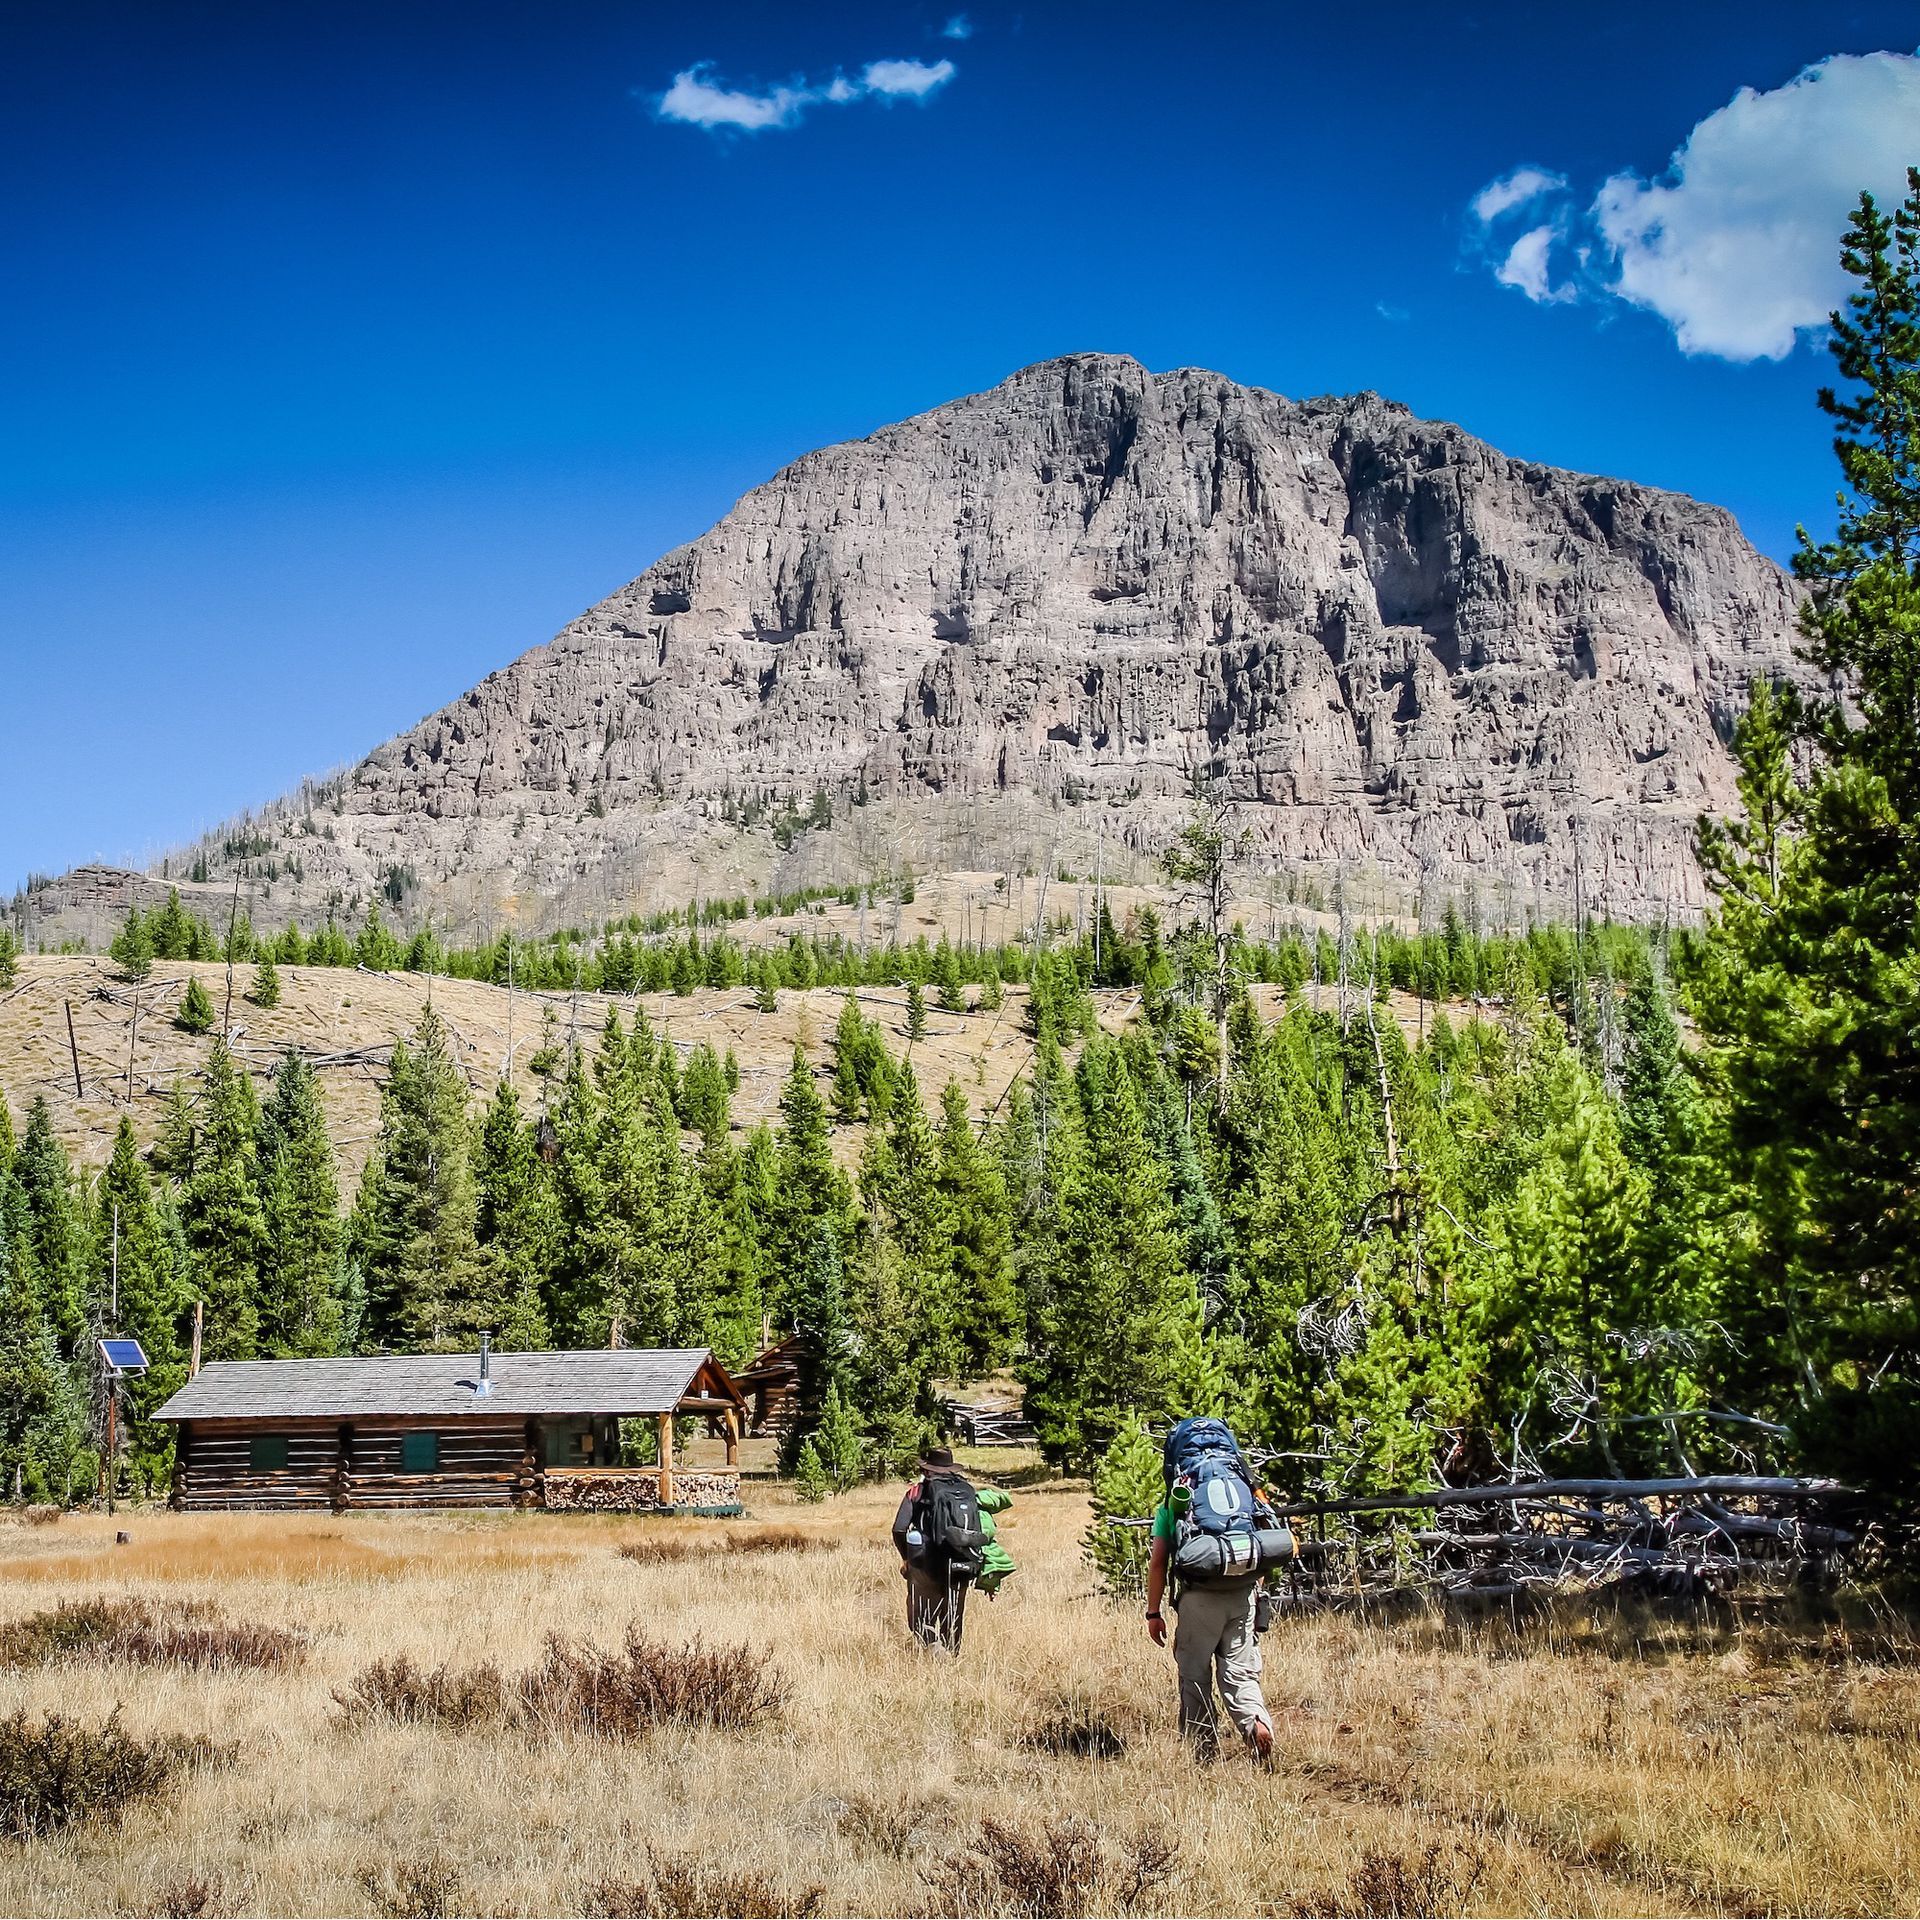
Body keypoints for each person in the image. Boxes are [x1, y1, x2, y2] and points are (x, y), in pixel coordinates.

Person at [1144, 1418, 1277, 1761]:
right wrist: (1256, 1590)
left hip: (1198, 1596)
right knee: (1240, 1671)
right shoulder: (1245, 1490)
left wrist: (1153, 1612)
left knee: (1194, 1672)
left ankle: (1202, 1751)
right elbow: (1262, 1543)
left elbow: (1159, 1562)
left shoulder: (1176, 1502)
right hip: (1243, 1591)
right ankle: (1255, 1724)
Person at [891, 1445, 989, 1651]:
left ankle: (932, 1652)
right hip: (963, 1561)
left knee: (922, 1619)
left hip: (926, 1564)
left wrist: (906, 1558)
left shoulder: (917, 1492)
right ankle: (951, 1661)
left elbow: (899, 1529)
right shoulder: (967, 1490)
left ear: (927, 1470)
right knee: (953, 1618)